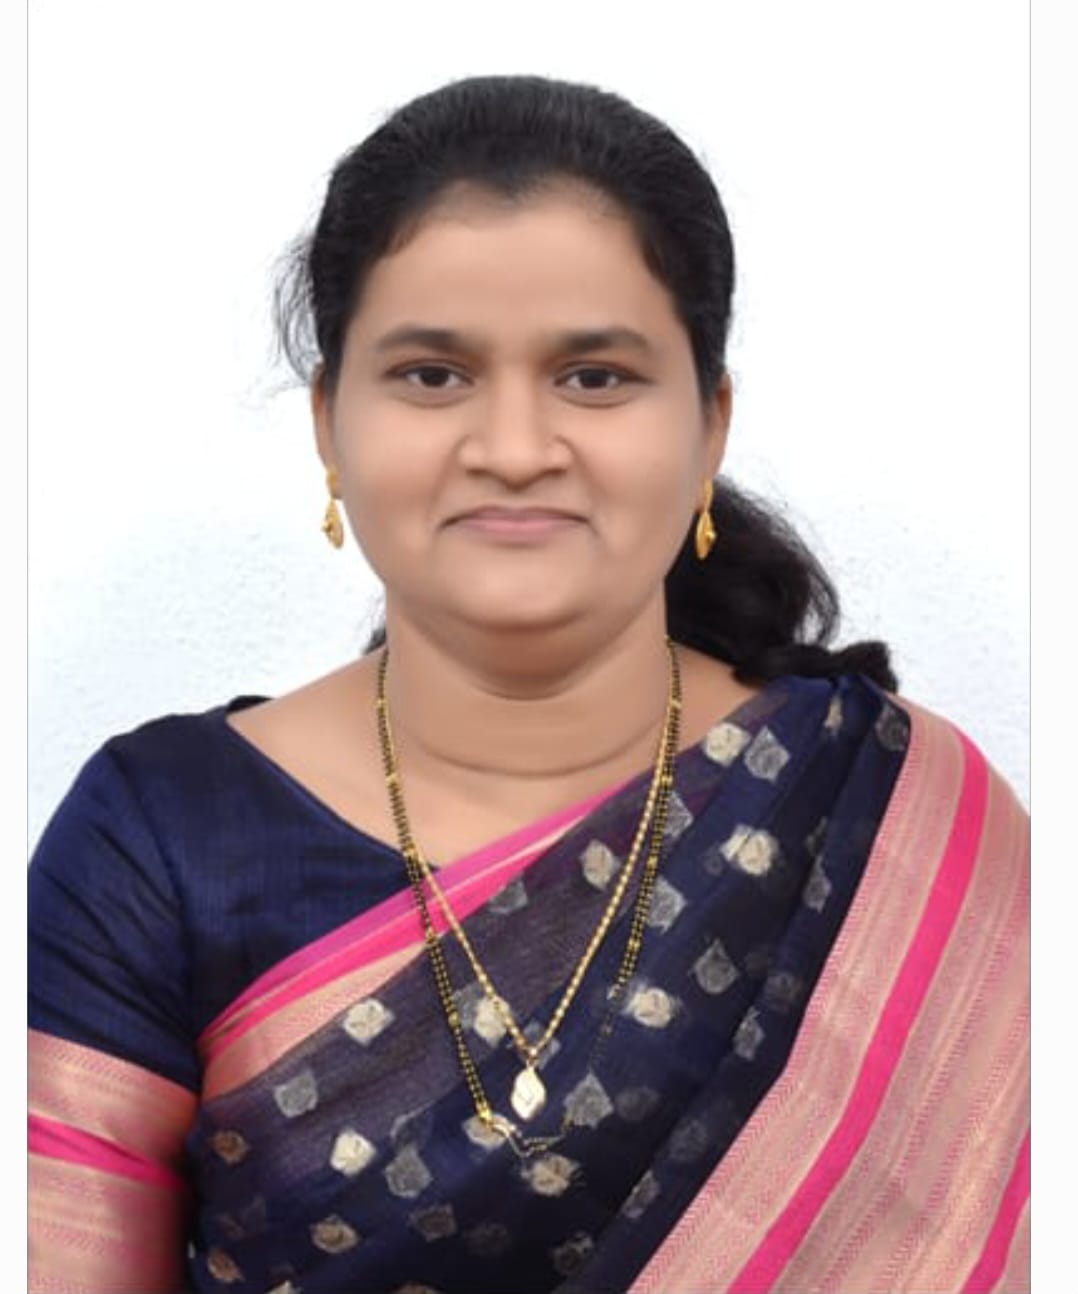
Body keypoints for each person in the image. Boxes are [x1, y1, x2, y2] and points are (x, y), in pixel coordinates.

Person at [28, 74, 1029, 1294]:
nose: (512, 448)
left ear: (708, 425)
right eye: (431, 375)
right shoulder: (162, 839)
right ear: (329, 424)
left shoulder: (893, 820)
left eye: (594, 376)